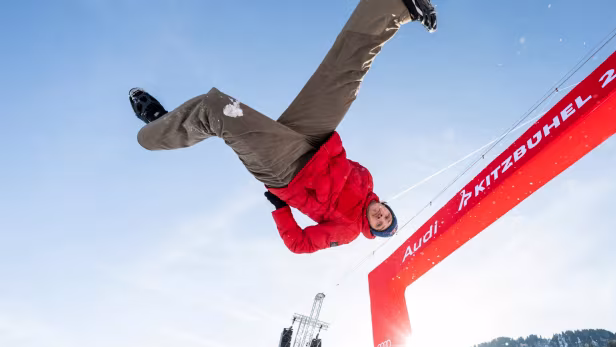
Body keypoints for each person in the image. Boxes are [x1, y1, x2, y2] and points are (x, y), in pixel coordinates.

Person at [129, 0, 437, 254]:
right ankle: (397, 6)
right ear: (387, 206)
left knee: (216, 109)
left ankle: (156, 131)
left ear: (371, 229)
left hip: (287, 171)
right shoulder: (367, 180)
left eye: (380, 224)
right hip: (316, 141)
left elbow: (300, 244)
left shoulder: (347, 232)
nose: (381, 217)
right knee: (344, 78)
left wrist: (281, 209)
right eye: (387, 215)